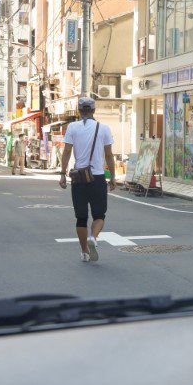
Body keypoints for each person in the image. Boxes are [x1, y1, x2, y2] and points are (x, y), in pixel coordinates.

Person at [58, 98, 116, 263]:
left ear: (79, 111)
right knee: (99, 215)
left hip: (79, 178)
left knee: (81, 218)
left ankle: (84, 252)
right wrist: (112, 177)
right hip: (97, 177)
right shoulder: (103, 128)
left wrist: (62, 174)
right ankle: (94, 237)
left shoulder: (72, 127)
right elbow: (109, 155)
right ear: (93, 110)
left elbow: (67, 151)